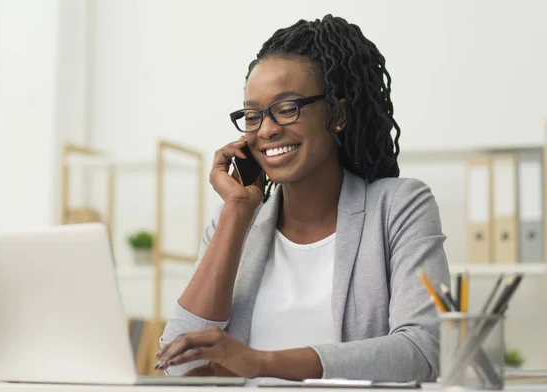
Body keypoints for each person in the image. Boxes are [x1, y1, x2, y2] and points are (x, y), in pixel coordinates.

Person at [156, 14, 449, 382]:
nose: (266, 130)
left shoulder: (398, 207)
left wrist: (261, 363)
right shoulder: (231, 223)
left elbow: (423, 349)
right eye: (252, 115)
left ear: (337, 113)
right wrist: (237, 210)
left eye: (286, 108)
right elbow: (179, 365)